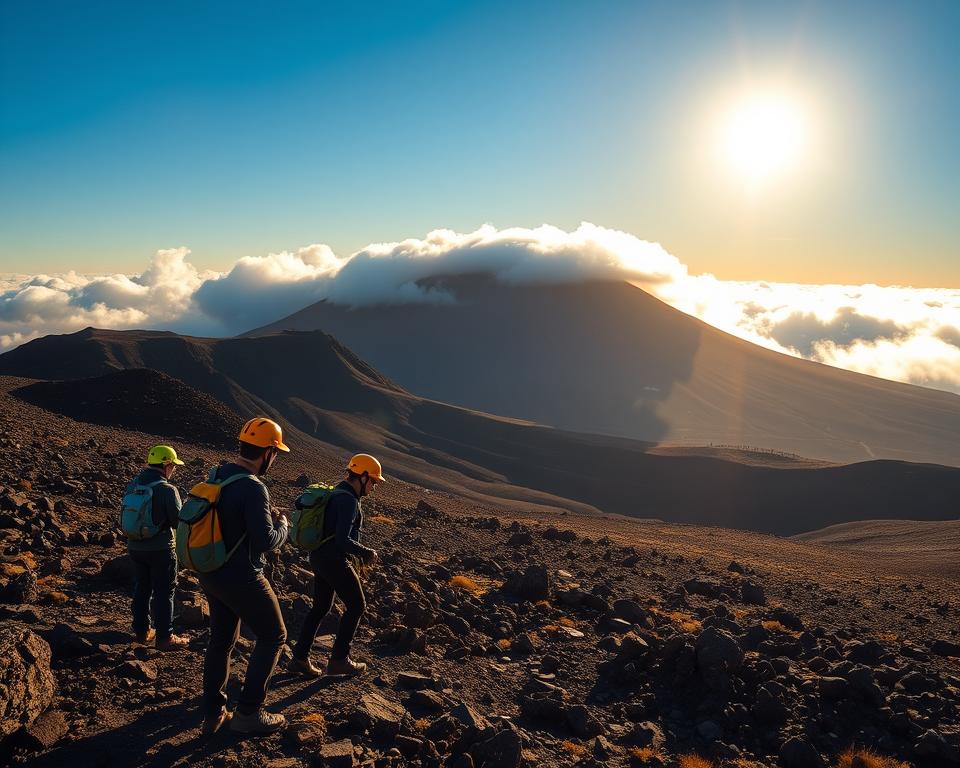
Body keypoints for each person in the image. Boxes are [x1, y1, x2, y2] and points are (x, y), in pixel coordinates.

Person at [198, 417, 290, 736]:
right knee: (274, 635)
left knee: (221, 641)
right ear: (267, 452)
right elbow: (265, 541)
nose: (274, 460)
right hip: (242, 577)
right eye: (275, 453)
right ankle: (249, 712)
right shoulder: (253, 487)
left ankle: (213, 714)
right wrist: (283, 527)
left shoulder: (219, 474)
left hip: (211, 572)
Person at [290, 453, 383, 678]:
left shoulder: (336, 493)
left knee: (321, 607)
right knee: (357, 606)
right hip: (333, 560)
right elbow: (342, 539)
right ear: (362, 477)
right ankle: (339, 660)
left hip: (319, 557)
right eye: (373, 481)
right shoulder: (349, 500)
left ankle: (299, 659)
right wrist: (366, 552)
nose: (374, 487)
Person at [124, 445, 190, 651]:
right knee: (164, 592)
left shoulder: (134, 484)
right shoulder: (167, 490)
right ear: (166, 465)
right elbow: (176, 522)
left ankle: (142, 631)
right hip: (160, 549)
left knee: (141, 587)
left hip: (135, 547)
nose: (174, 470)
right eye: (173, 466)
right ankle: (165, 637)